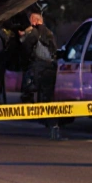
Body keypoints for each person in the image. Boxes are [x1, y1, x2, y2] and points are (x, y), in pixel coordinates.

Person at [20, 11, 60, 140]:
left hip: (38, 67)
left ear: (35, 21)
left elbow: (26, 48)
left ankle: (36, 116)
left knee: (28, 90)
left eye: (31, 20)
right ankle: (51, 124)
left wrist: (23, 36)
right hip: (51, 67)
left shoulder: (34, 32)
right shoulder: (49, 32)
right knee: (48, 97)